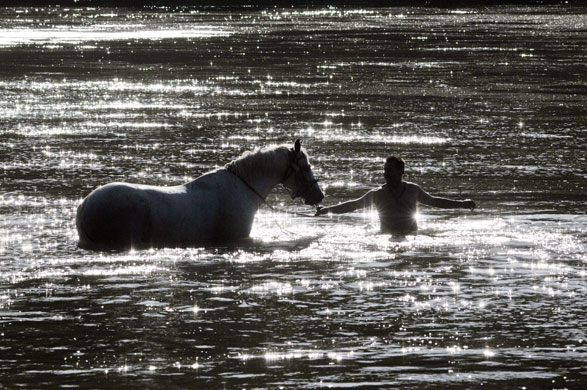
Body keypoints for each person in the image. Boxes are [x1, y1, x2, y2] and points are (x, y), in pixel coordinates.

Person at [315, 155, 476, 235]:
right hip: (385, 235)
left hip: (413, 236)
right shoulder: (378, 194)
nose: (386, 174)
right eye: (385, 171)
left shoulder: (413, 190)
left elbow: (435, 202)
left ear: (401, 171)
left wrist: (461, 203)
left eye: (390, 171)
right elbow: (353, 205)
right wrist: (326, 210)